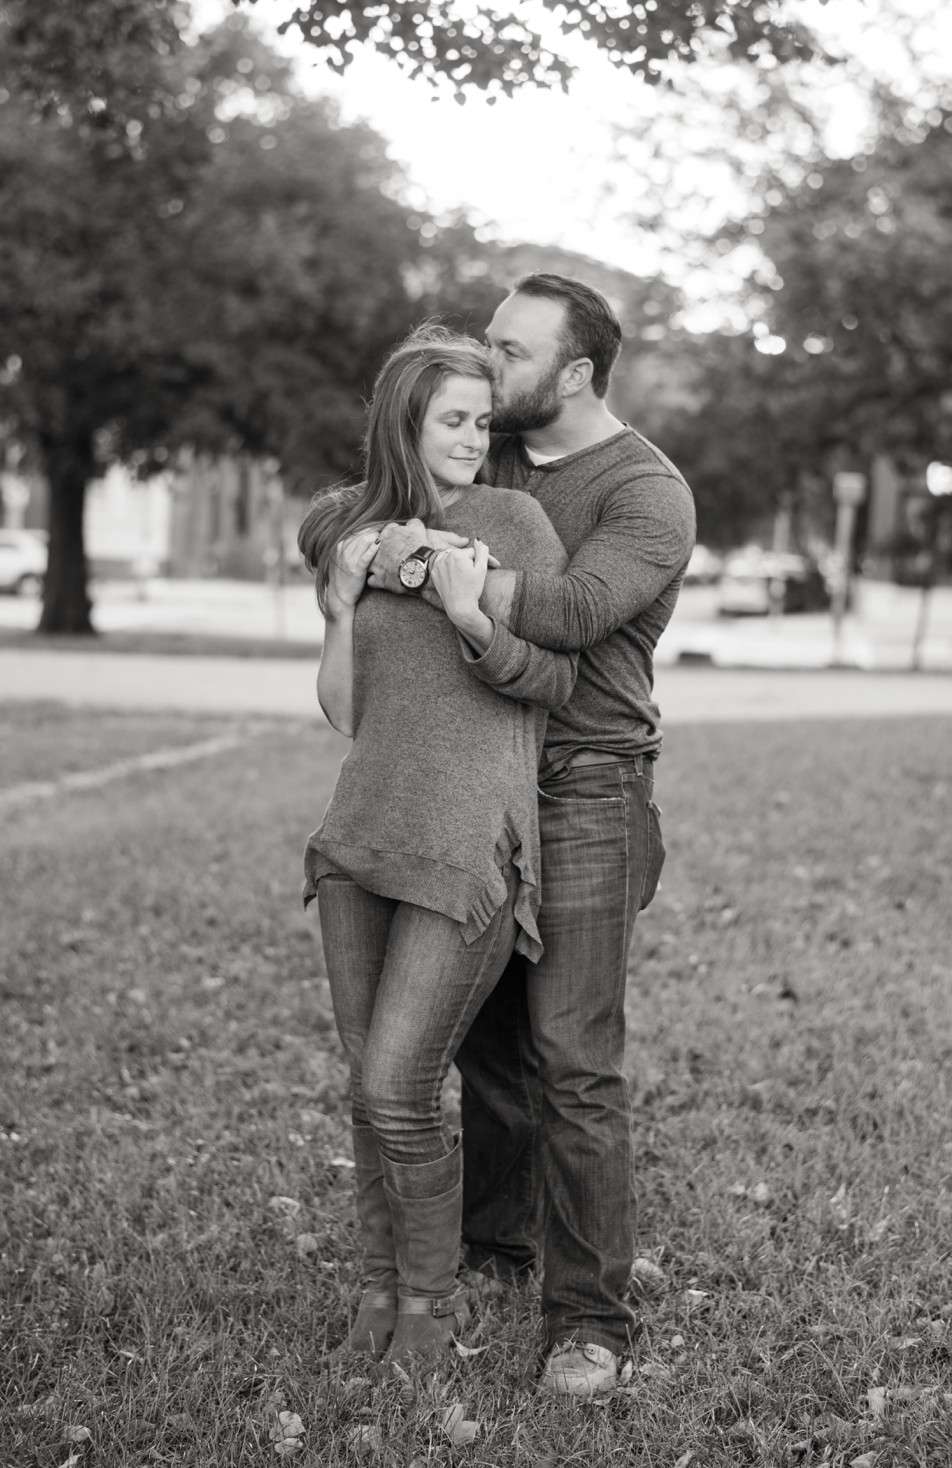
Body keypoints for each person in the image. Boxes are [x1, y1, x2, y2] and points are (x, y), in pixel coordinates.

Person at [367, 274, 697, 1397]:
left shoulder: (647, 491)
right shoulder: (489, 450)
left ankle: (588, 1317)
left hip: (587, 788)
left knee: (571, 1060)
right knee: (483, 1047)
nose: (483, 363)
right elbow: (364, 504)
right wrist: (380, 548)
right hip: (477, 776)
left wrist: (445, 572)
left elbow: (567, 611)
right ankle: (494, 1242)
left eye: (507, 351)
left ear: (573, 373)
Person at [296, 325, 577, 1372]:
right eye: (451, 420)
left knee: (396, 1087)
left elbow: (555, 684)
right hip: (362, 837)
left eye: (479, 419)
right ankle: (377, 1289)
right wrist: (336, 615)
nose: (471, 437)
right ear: (403, 424)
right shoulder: (354, 535)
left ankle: (427, 1302)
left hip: (468, 850)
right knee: (365, 1083)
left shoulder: (515, 521)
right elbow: (345, 712)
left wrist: (468, 615)